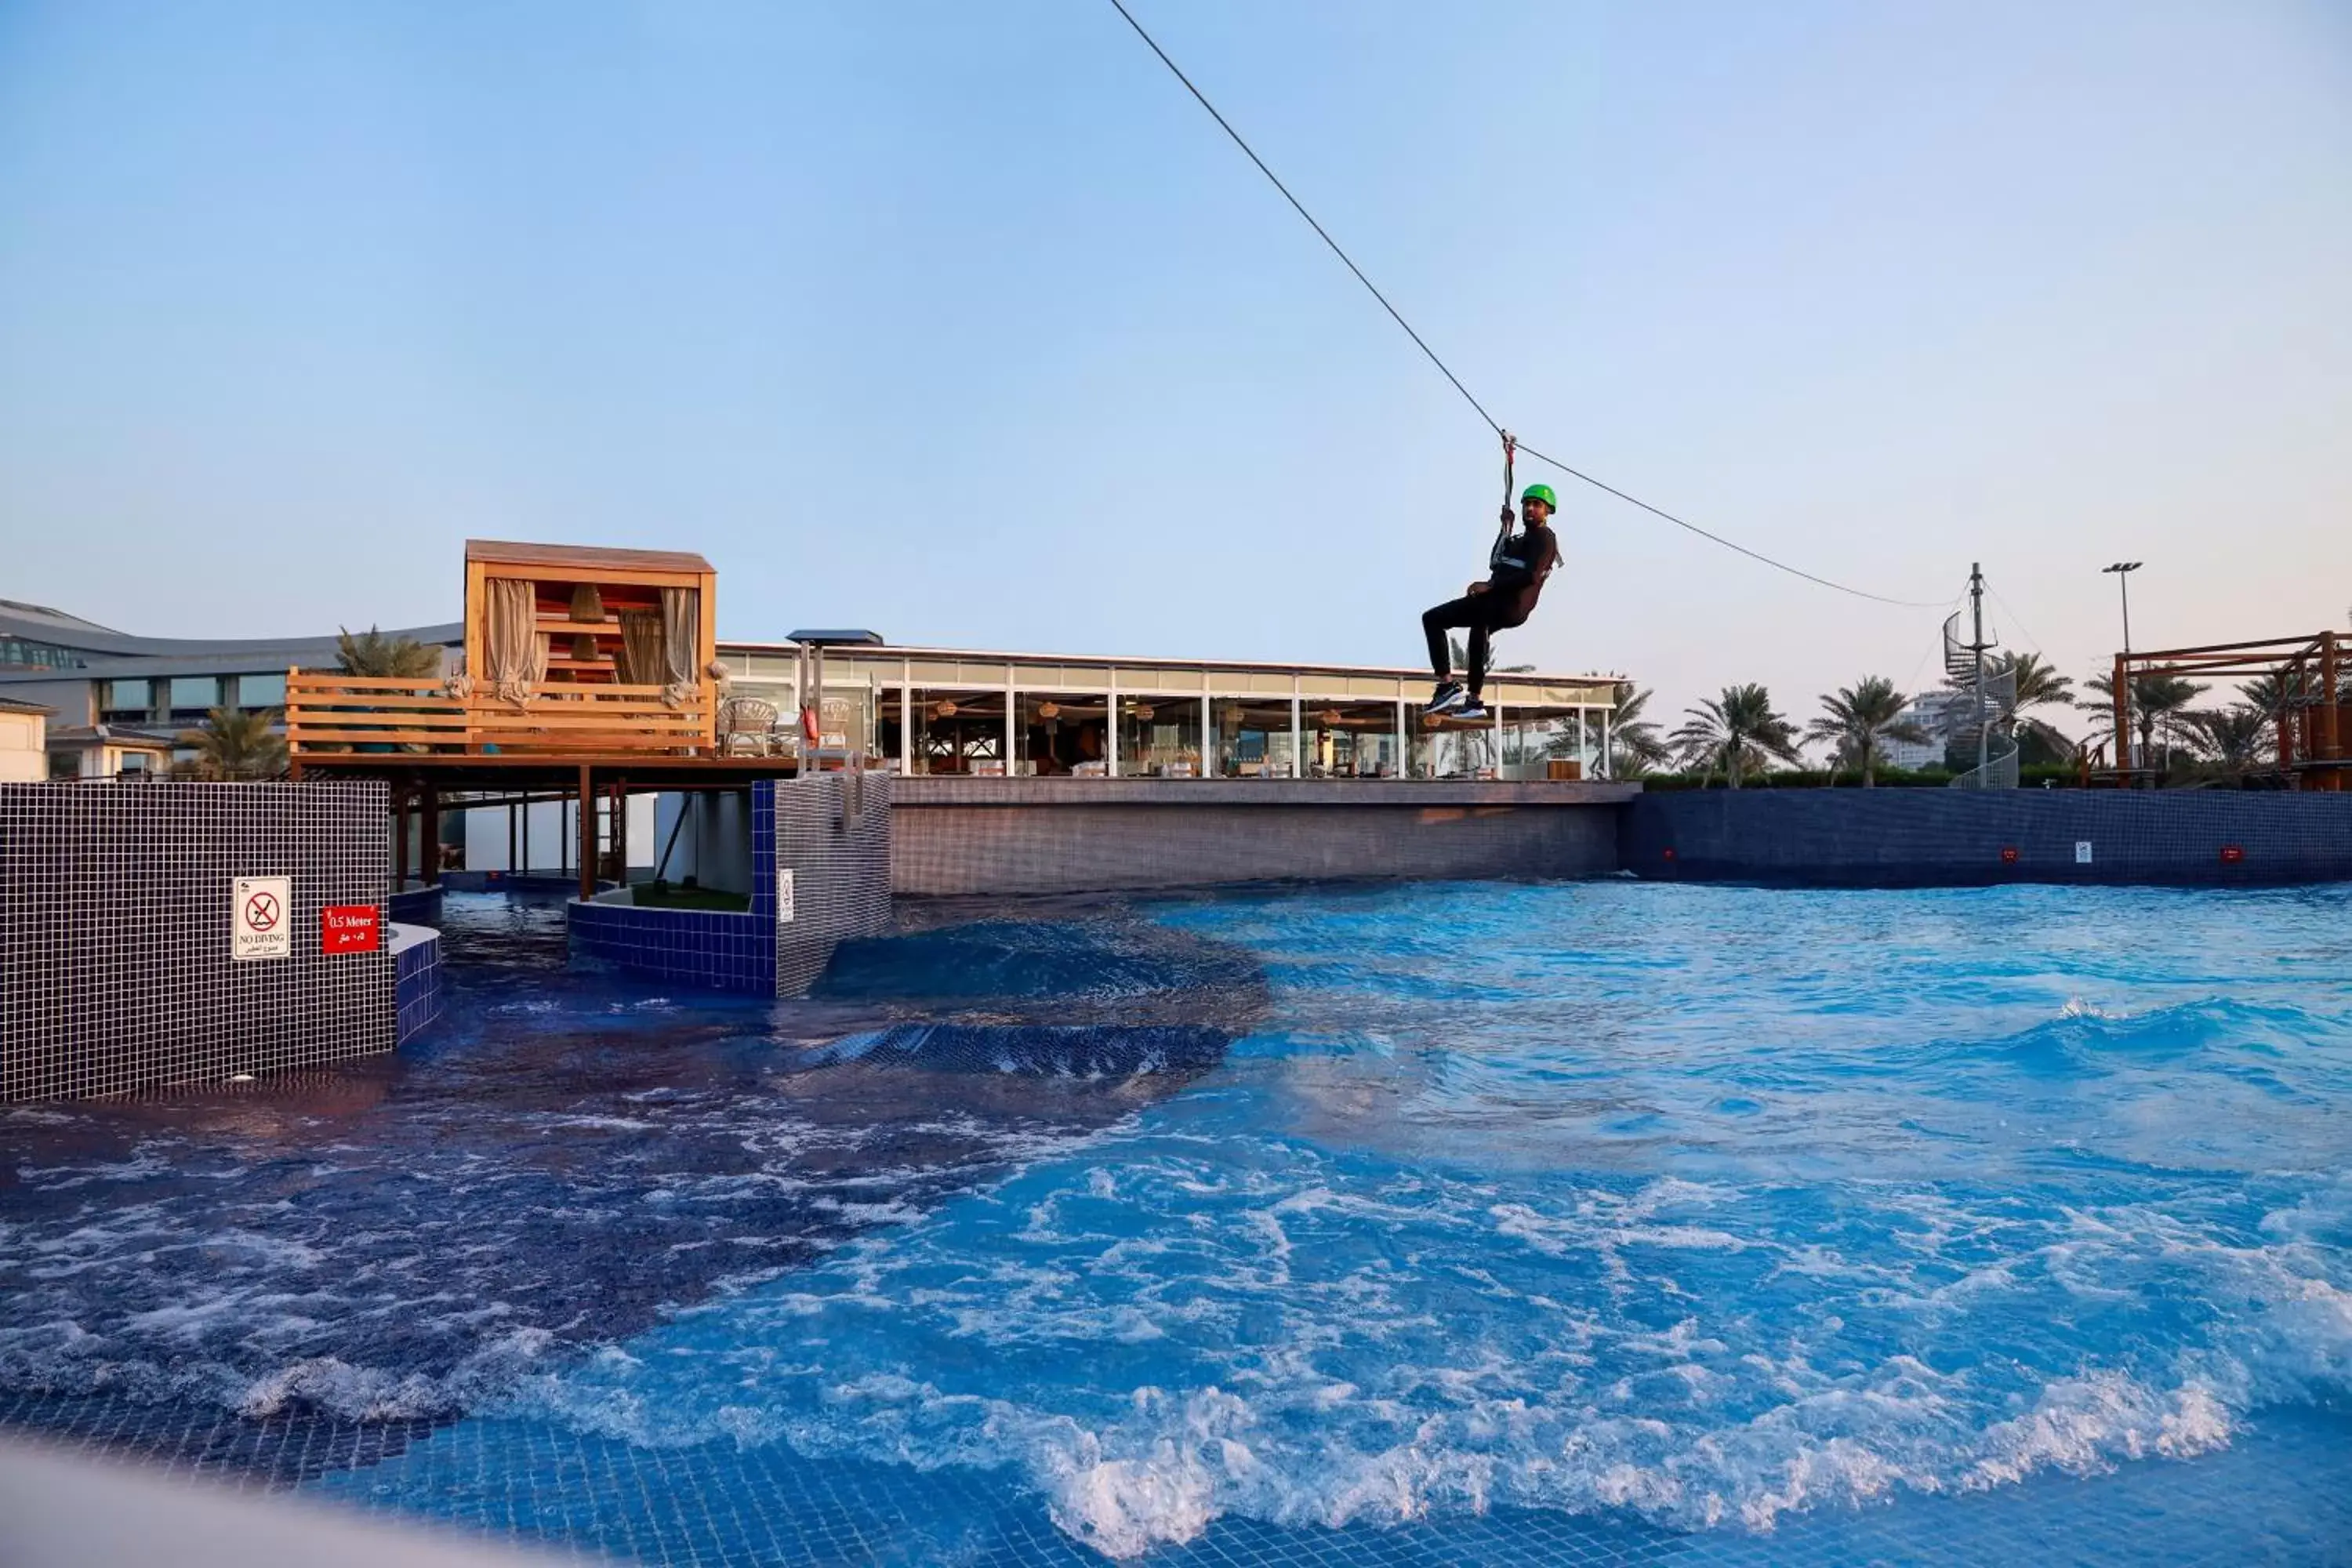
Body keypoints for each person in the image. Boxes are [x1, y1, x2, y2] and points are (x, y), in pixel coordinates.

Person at [1422, 481, 1561, 720]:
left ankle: (1447, 686)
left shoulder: (1545, 538)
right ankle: (1474, 701)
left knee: (1433, 618)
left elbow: (1532, 575)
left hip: (1509, 604)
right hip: (1498, 602)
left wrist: (1490, 586)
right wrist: (1505, 528)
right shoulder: (1519, 539)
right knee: (1479, 630)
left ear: (1547, 511)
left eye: (1536, 505)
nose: (1530, 509)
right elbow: (1496, 561)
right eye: (1527, 504)